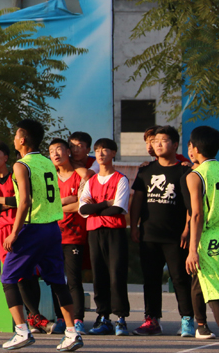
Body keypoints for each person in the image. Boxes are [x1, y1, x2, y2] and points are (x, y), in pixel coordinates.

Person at [0, 119, 81, 352]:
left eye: (16, 134)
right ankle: (71, 332)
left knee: (8, 278)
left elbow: (25, 201)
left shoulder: (21, 165)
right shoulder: (46, 162)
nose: (14, 138)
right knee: (57, 281)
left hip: (32, 228)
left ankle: (21, 331)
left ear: (22, 139)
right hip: (52, 229)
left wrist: (14, 233)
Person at [0, 140, 52, 335]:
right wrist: (11, 204)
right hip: (2, 232)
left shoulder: (16, 176)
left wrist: (1, 202)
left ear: (6, 157)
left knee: (30, 272)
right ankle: (34, 317)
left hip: (22, 228)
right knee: (16, 273)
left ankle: (33, 318)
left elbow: (25, 200)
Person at [130, 125, 194, 337]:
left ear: (175, 145)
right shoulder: (145, 170)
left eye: (163, 141)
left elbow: (190, 205)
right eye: (155, 141)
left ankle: (187, 319)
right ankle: (152, 320)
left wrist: (187, 229)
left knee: (179, 278)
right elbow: (137, 201)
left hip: (176, 236)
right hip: (149, 235)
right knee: (151, 279)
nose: (158, 144)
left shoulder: (184, 171)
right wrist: (135, 226)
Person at [78, 138, 131, 337]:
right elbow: (83, 209)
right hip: (94, 232)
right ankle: (103, 316)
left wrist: (96, 208)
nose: (100, 154)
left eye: (105, 150)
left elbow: (118, 208)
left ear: (113, 153)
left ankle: (121, 318)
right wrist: (105, 204)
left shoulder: (120, 179)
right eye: (97, 150)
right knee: (99, 275)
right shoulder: (91, 181)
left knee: (117, 275)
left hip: (115, 232)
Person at [49, 138, 93, 334]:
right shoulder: (50, 177)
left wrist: (60, 205)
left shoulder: (79, 176)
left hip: (74, 236)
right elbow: (47, 207)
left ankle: (78, 320)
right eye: (51, 151)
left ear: (68, 152)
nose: (55, 153)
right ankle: (60, 318)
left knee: (74, 280)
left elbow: (81, 205)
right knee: (55, 279)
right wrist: (67, 200)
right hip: (52, 235)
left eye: (59, 149)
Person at [185, 126, 219, 338]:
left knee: (212, 286)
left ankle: (201, 325)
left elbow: (196, 214)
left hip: (208, 237)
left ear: (195, 149)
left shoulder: (196, 175)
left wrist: (192, 250)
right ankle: (201, 325)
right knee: (202, 282)